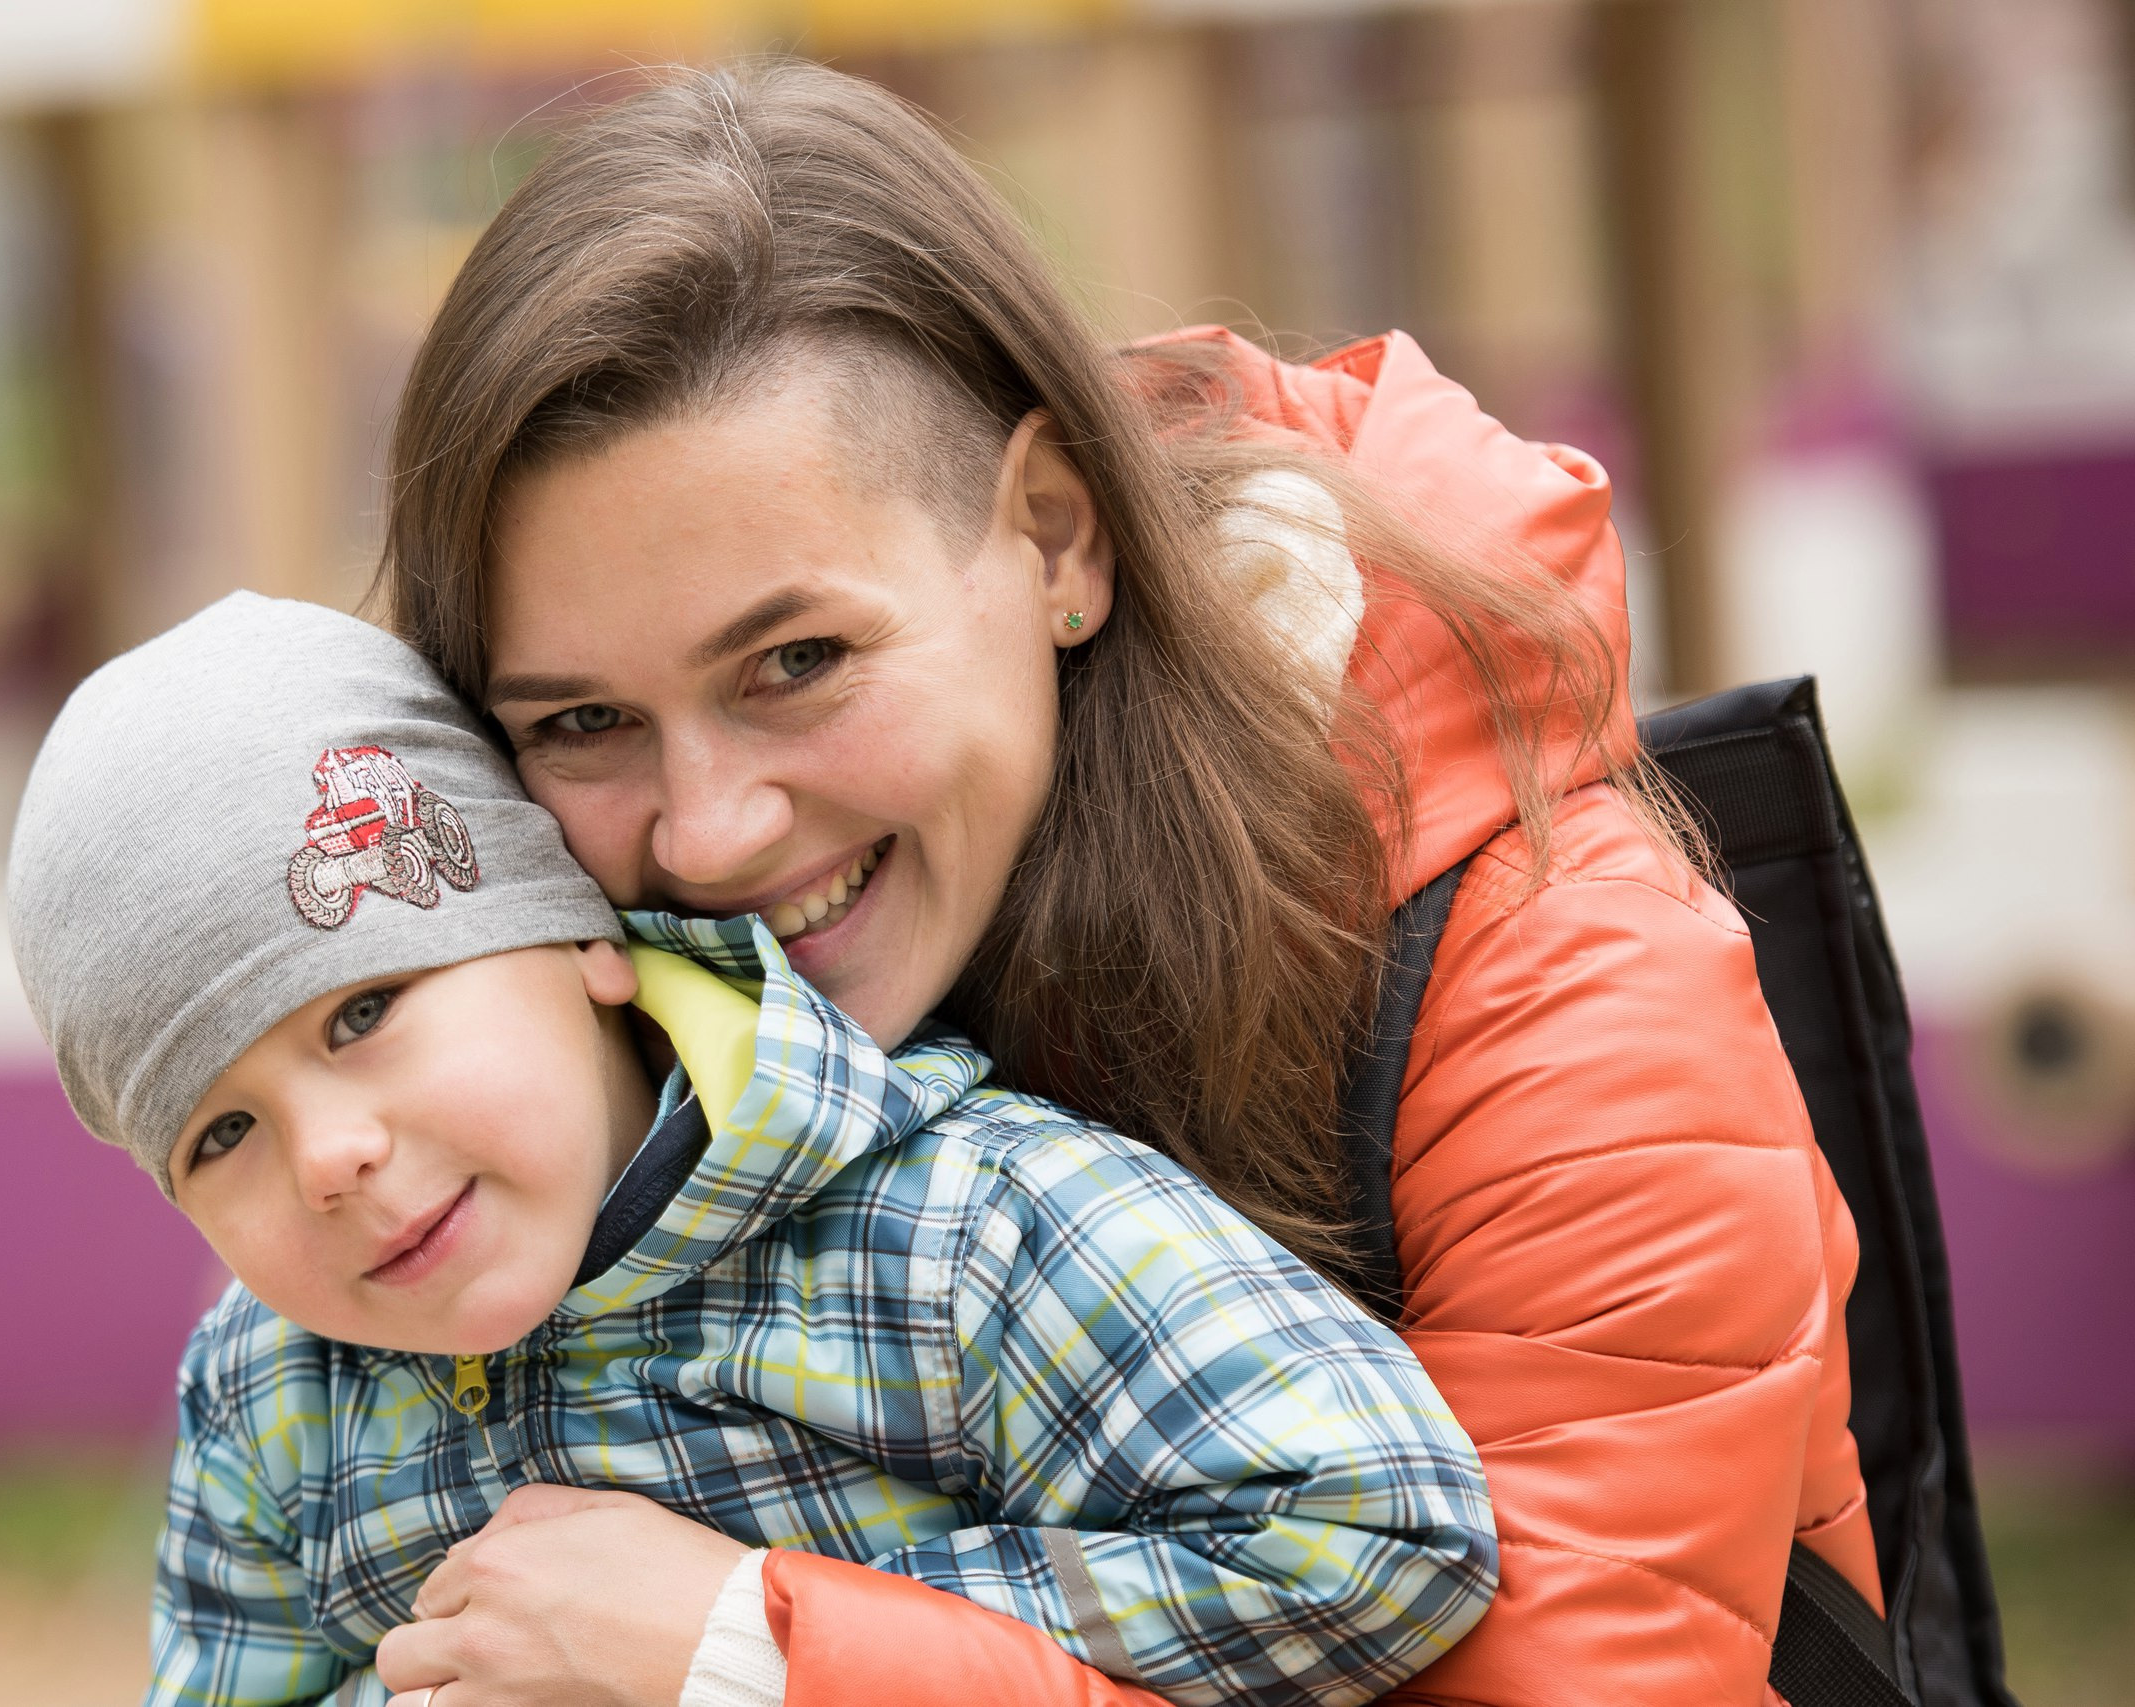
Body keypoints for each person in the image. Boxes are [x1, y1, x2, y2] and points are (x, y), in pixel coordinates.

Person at [365, 58, 1878, 1707]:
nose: (711, 836)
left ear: (1060, 536)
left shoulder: (1560, 985)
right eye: (584, 722)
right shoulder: (570, 1055)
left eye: (797, 661)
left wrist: (768, 1656)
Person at [3, 592, 1498, 1707]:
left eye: (365, 1012)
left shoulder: (963, 1227)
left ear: (574, 935)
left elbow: (1376, 1534)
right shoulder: (272, 1401)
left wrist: (754, 1636)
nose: (326, 1157)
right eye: (222, 1134)